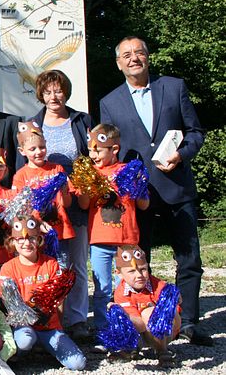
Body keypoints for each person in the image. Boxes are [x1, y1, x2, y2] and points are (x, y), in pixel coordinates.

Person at [99, 36, 210, 346]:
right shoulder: (109, 102)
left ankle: (188, 321)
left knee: (189, 259)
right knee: (137, 259)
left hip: (177, 186)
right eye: (127, 55)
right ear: (119, 63)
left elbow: (196, 132)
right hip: (138, 196)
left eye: (139, 52)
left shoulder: (174, 87)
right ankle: (144, 320)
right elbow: (111, 152)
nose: (134, 58)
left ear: (147, 57)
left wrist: (182, 154)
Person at [28, 69, 94, 341]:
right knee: (51, 263)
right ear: (41, 95)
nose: (53, 96)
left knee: (77, 262)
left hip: (76, 199)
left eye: (58, 90)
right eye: (48, 92)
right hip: (46, 207)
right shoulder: (33, 123)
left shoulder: (81, 120)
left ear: (65, 92)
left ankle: (77, 319)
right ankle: (53, 317)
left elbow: (91, 157)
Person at [77, 125, 149, 335]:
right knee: (102, 288)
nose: (93, 155)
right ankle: (103, 328)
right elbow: (82, 205)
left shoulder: (128, 170)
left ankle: (127, 327)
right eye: (90, 150)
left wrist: (138, 187)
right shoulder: (91, 172)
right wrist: (86, 186)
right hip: (100, 240)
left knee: (125, 287)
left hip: (126, 240)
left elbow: (144, 205)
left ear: (114, 149)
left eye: (98, 150)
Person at [0, 215, 86, 371]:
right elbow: (8, 304)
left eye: (31, 238)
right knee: (25, 340)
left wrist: (59, 328)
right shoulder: (8, 268)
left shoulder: (51, 264)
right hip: (23, 326)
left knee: (78, 364)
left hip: (49, 327)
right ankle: (22, 353)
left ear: (38, 239)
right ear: (13, 240)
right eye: (20, 239)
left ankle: (45, 346)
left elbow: (59, 300)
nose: (26, 243)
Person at [111, 245, 180, 367]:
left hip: (166, 329)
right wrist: (120, 315)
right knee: (118, 315)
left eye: (143, 269)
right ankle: (131, 348)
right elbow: (140, 325)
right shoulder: (120, 292)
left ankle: (162, 350)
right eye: (131, 271)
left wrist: (172, 296)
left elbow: (179, 300)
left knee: (149, 312)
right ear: (119, 274)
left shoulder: (158, 284)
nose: (139, 275)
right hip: (141, 329)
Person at [12, 121, 74, 246]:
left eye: (42, 147)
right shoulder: (20, 176)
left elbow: (66, 203)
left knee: (62, 264)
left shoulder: (57, 169)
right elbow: (20, 210)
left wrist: (65, 191)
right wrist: (38, 223)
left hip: (59, 230)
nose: (38, 152)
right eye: (32, 149)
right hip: (34, 233)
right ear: (22, 151)